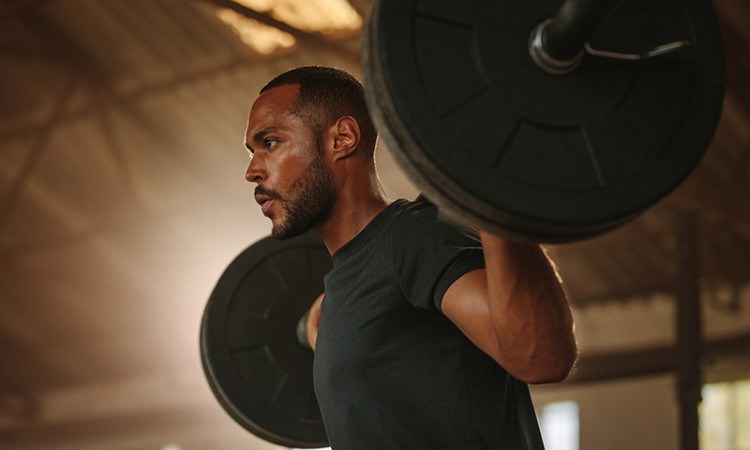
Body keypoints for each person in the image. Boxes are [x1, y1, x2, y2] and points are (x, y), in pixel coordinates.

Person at [243, 66, 577, 449]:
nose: (252, 170)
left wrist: (490, 188)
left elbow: (542, 357)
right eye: (252, 152)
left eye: (270, 142)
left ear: (342, 139)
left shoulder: (414, 238)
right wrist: (316, 322)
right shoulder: (343, 289)